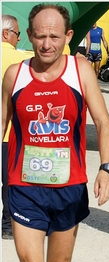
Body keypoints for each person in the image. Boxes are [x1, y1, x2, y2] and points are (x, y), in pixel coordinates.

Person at [1, 4, 109, 262]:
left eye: (54, 37)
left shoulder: (80, 70)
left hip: (69, 187)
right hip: (24, 186)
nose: (46, 44)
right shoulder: (14, 75)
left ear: (68, 36)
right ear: (29, 34)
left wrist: (106, 169)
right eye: (40, 36)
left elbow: (103, 122)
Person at [1, 14, 28, 240]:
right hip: (9, 133)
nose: (18, 39)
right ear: (6, 34)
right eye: (17, 34)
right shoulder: (18, 60)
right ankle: (8, 226)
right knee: (10, 181)